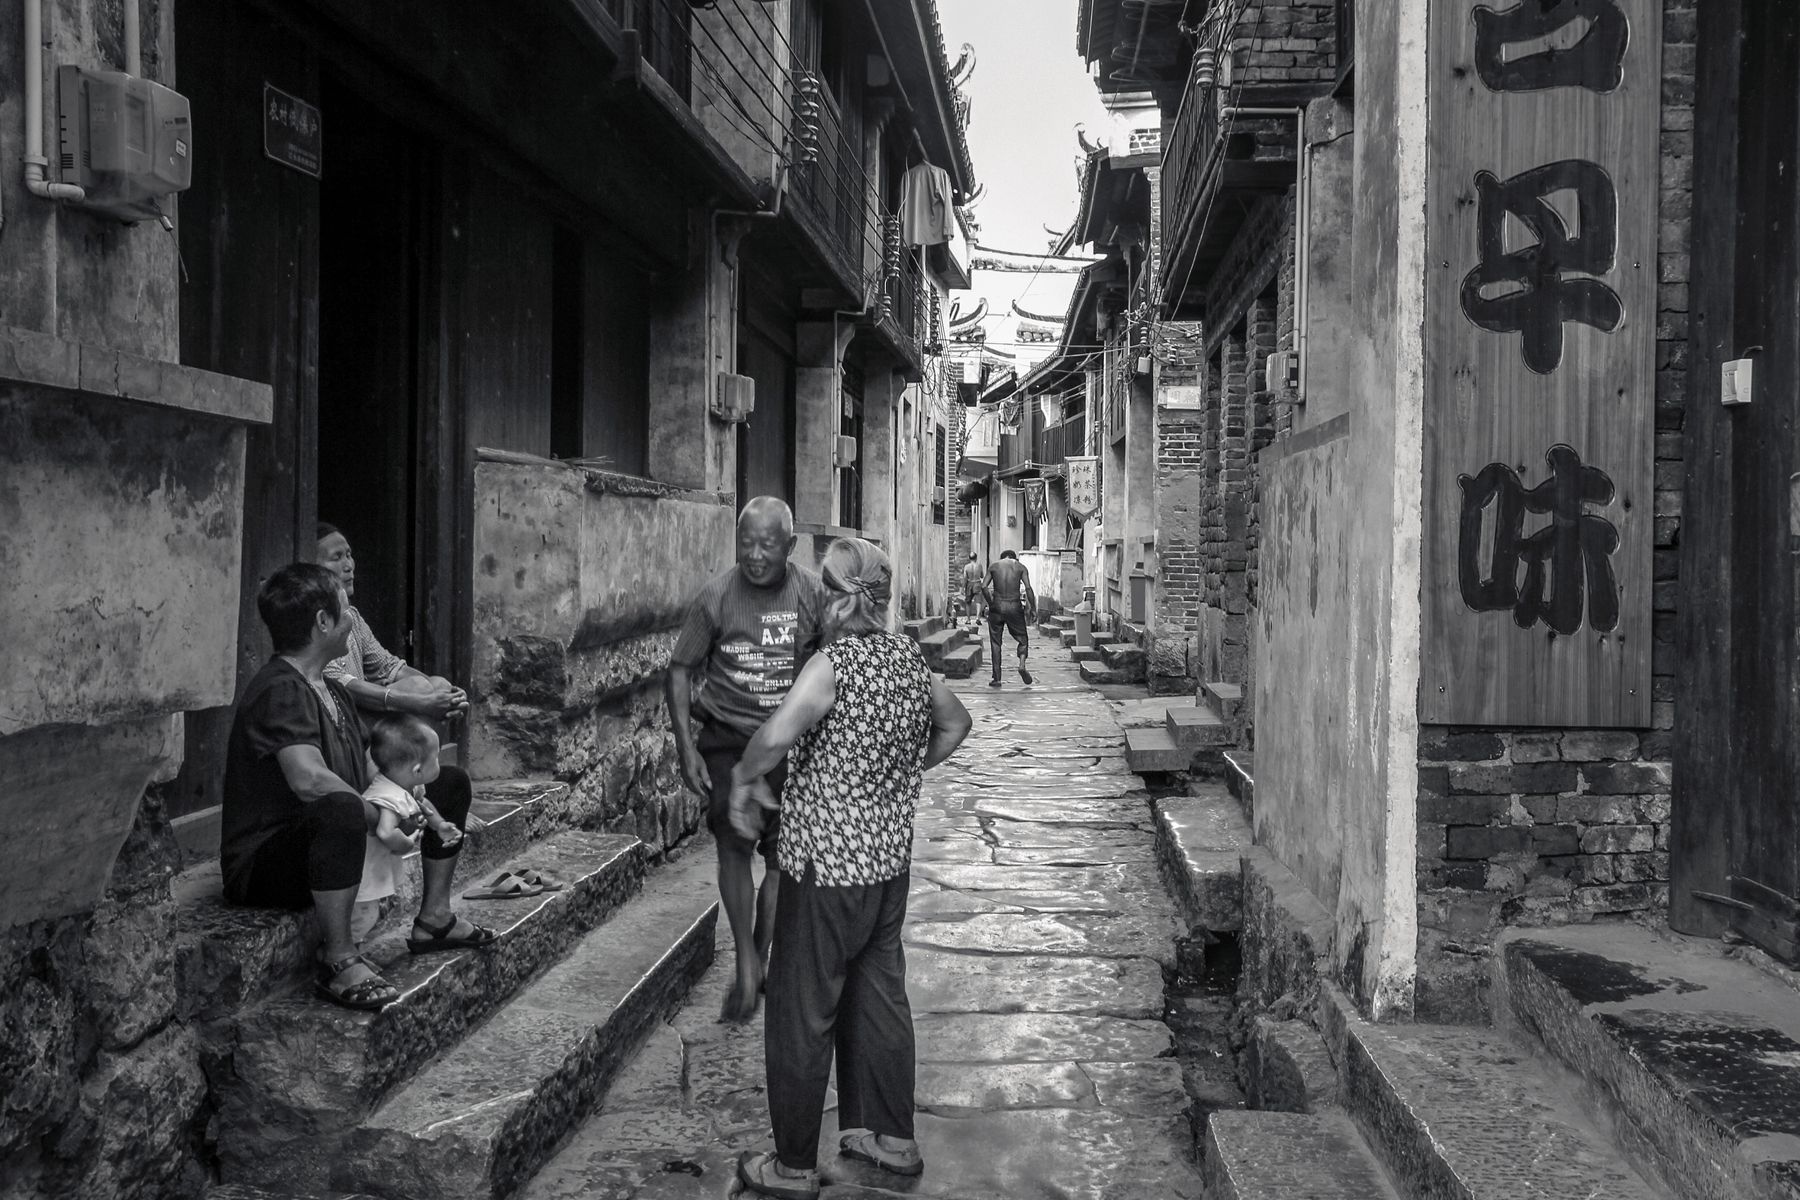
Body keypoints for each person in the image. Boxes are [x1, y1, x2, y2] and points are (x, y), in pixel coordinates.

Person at [727, 537, 973, 1200]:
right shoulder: (909, 661)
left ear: (836, 599)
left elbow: (775, 737)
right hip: (887, 868)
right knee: (881, 999)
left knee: (803, 1011)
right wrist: (903, 770)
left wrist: (743, 779)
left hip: (824, 871)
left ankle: (792, 1166)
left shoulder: (832, 666)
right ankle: (893, 1141)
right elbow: (956, 724)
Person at [221, 563, 494, 1012]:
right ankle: (339, 957)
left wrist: (411, 800)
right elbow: (309, 780)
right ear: (322, 622)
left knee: (445, 782)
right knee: (340, 808)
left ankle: (435, 919)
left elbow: (370, 767)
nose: (352, 619)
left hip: (333, 840)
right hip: (267, 866)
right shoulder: (280, 690)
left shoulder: (331, 688)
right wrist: (378, 817)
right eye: (345, 609)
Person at [666, 496, 824, 1022]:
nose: (755, 555)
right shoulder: (715, 597)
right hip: (729, 743)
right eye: (746, 543)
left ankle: (760, 953)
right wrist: (686, 747)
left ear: (790, 547)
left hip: (789, 744)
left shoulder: (811, 594)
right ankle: (745, 958)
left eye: (768, 545)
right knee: (733, 847)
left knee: (782, 858)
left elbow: (834, 662)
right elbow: (680, 669)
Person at [315, 523, 469, 722]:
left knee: (439, 685)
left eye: (348, 555)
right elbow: (343, 684)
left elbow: (387, 667)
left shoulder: (353, 616)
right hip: (340, 719)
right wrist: (421, 701)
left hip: (363, 713)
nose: (348, 565)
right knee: (419, 689)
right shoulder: (315, 622)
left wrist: (445, 694)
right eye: (336, 558)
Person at [351, 714, 463, 945]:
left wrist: (439, 825)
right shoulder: (389, 797)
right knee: (364, 916)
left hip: (377, 864)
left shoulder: (407, 783)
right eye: (436, 758)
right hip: (365, 869)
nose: (439, 762)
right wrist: (407, 843)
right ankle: (342, 952)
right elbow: (385, 832)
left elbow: (422, 803)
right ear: (418, 770)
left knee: (368, 913)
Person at [983, 549, 1036, 688]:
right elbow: (1028, 588)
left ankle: (996, 678)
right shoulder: (1021, 567)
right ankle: (1022, 664)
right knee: (1023, 639)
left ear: (1002, 557)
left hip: (997, 605)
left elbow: (984, 586)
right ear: (1014, 558)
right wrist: (1033, 608)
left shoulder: (994, 566)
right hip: (1014, 605)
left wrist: (990, 603)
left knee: (995, 642)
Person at [959, 551, 985, 631]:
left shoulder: (966, 567)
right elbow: (982, 575)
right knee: (978, 602)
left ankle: (968, 619)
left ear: (969, 558)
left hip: (969, 584)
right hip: (977, 583)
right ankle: (978, 618)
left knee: (968, 602)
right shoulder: (979, 566)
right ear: (976, 558)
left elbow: (965, 578)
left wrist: (963, 588)